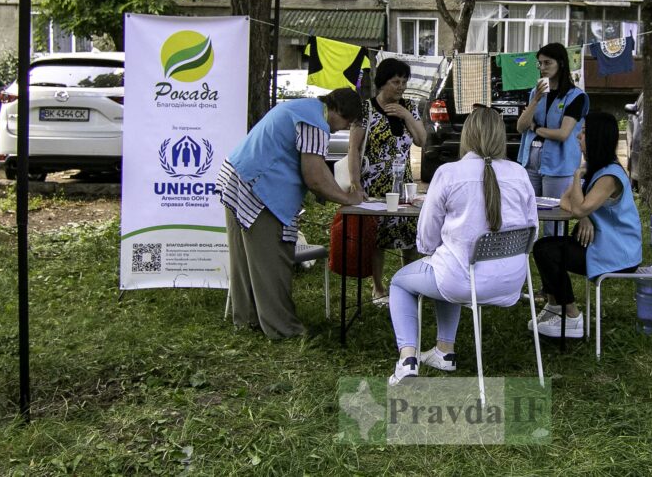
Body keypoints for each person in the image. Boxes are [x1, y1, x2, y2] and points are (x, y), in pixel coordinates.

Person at [387, 106, 537, 385]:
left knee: (400, 282)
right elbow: (533, 231)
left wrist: (436, 249)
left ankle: (408, 358)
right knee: (447, 265)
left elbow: (427, 238)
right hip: (511, 283)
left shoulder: (449, 173)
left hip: (461, 279)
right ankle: (444, 351)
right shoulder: (519, 173)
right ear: (501, 137)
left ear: (467, 135)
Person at [217, 88, 364, 340]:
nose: (340, 130)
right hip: (258, 187)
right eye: (346, 123)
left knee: (245, 259)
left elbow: (314, 169)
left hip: (237, 176)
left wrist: (330, 190)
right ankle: (284, 330)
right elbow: (315, 177)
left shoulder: (305, 108)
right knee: (271, 261)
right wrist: (347, 198)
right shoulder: (315, 122)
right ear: (338, 111)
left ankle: (247, 319)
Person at [529, 111, 641, 339]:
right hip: (602, 245)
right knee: (545, 247)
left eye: (583, 133)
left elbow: (578, 206)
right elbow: (565, 201)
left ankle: (570, 316)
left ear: (597, 137)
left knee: (547, 251)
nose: (578, 137)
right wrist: (584, 217)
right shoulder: (597, 170)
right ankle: (555, 307)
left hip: (618, 253)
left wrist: (577, 174)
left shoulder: (609, 176)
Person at [348, 57, 426, 306]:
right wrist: (355, 184)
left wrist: (406, 116)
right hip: (373, 184)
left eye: (404, 81)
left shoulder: (410, 106)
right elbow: (353, 148)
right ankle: (378, 289)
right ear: (383, 83)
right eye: (395, 82)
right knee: (377, 239)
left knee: (408, 236)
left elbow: (421, 140)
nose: (401, 86)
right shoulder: (366, 109)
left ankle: (411, 287)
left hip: (402, 185)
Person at [516, 42, 589, 235]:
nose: (543, 68)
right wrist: (535, 100)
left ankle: (552, 258)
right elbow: (521, 126)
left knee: (554, 220)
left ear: (561, 63)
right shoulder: (535, 93)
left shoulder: (576, 97)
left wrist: (537, 128)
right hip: (531, 161)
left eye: (547, 63)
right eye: (539, 64)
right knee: (526, 216)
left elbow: (563, 134)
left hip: (559, 165)